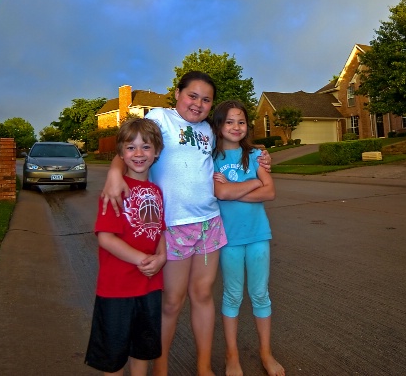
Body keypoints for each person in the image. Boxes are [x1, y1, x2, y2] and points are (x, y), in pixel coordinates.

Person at [100, 71, 271, 376]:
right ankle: (161, 369)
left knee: (203, 295)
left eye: (206, 99)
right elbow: (130, 144)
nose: (198, 103)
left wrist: (262, 157)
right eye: (193, 95)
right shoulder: (160, 118)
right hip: (173, 225)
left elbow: (238, 142)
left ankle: (203, 367)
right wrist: (115, 171)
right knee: (172, 301)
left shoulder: (209, 130)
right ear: (177, 93)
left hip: (209, 222)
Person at [85, 118, 167, 375]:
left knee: (143, 350)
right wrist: (143, 260)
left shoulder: (156, 191)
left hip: (149, 286)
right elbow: (106, 238)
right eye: (131, 148)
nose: (139, 153)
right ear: (120, 153)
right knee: (114, 356)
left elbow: (160, 230)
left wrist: (162, 257)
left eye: (146, 147)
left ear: (157, 152)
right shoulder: (114, 190)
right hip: (117, 288)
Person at [211, 100, 285, 376]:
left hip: (257, 235)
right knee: (232, 295)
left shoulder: (255, 156)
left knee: (260, 294)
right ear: (218, 125)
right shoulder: (212, 158)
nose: (235, 127)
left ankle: (266, 353)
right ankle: (232, 357)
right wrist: (254, 182)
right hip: (228, 238)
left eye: (241, 122)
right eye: (229, 121)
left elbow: (270, 192)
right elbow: (221, 194)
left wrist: (237, 186)